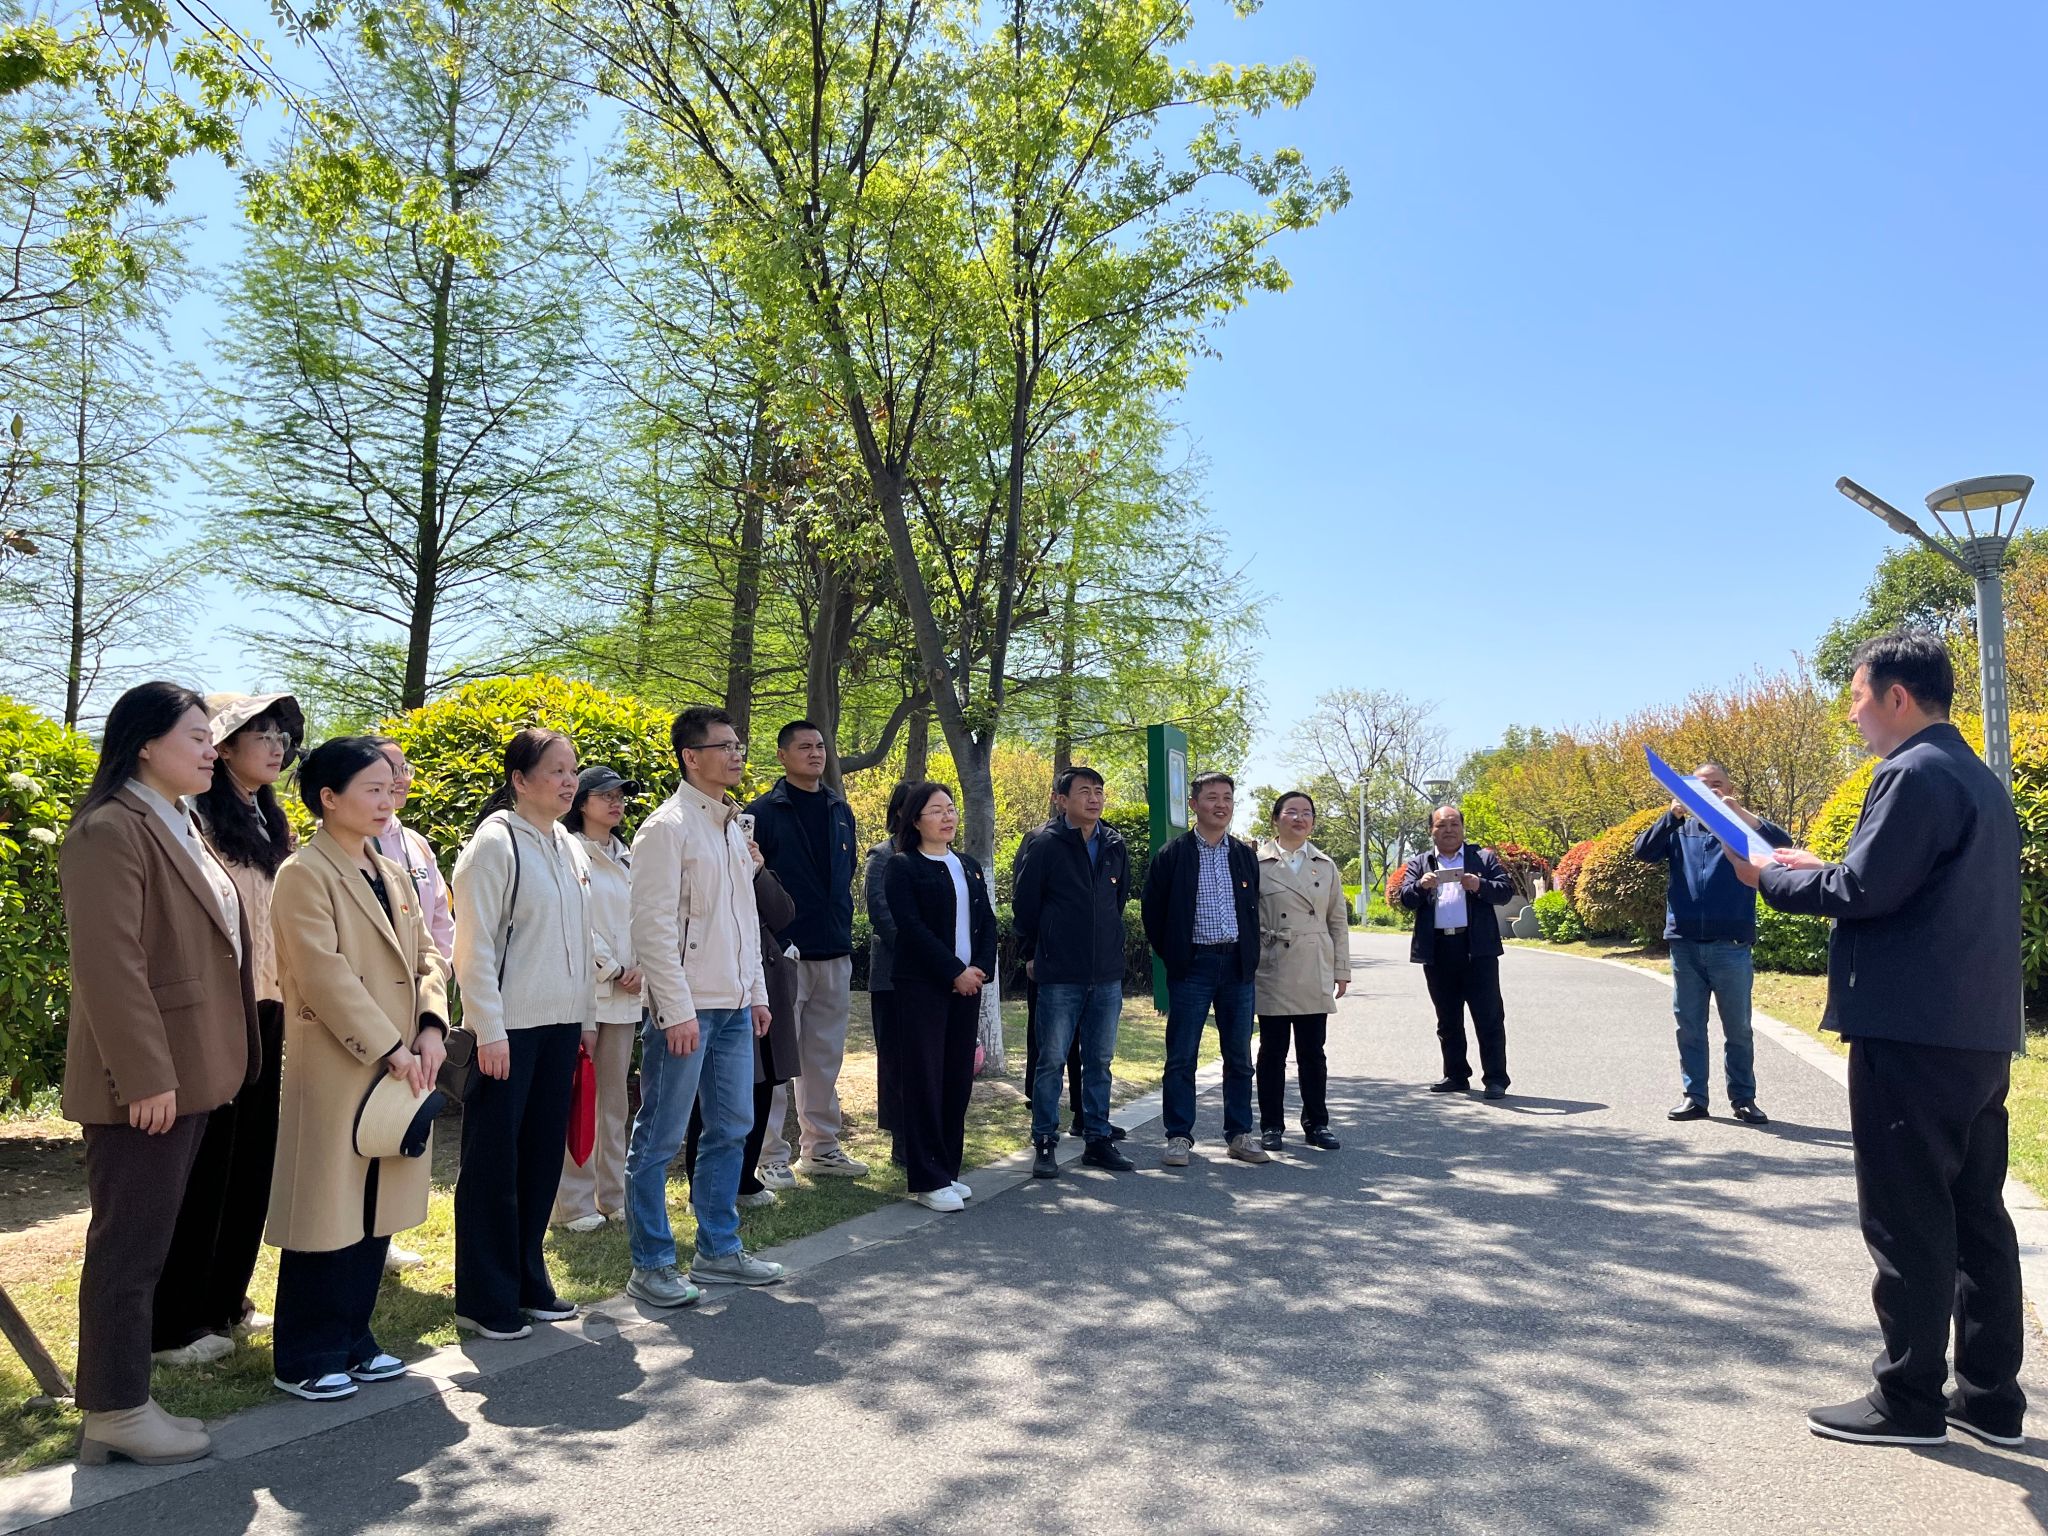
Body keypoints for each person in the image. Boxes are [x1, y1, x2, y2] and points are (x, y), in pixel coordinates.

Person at [1728, 631, 2026, 1448]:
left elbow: (1861, 891)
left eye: (1858, 697)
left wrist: (1768, 876)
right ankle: (1991, 1399)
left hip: (1909, 1031)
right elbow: (1896, 881)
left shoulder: (1911, 772)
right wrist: (1812, 863)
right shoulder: (1975, 776)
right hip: (1975, 1032)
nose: (1853, 714)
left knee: (1908, 1217)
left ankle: (1909, 1400)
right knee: (1976, 1215)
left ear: (1897, 696)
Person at [61, 682, 258, 1466]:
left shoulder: (181, 819)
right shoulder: (109, 827)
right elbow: (110, 965)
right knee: (130, 1249)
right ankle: (113, 1410)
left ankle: (124, 1402)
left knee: (151, 1241)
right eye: (196, 737)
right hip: (147, 1083)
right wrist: (144, 1076)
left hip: (195, 1069)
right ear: (145, 743)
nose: (212, 750)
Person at [266, 738, 450, 1401]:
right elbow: (323, 974)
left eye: (389, 785)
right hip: (341, 1064)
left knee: (376, 1205)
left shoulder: (391, 870)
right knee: (327, 1207)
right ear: (329, 798)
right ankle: (304, 1356)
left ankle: (354, 1338)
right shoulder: (303, 873)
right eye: (372, 788)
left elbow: (429, 954)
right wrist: (389, 1045)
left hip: (400, 1062)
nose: (386, 798)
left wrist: (431, 1026)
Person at [149, 693, 301, 1368]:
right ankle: (177, 1319)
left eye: (281, 736)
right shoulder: (197, 818)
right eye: (258, 733)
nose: (275, 745)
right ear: (225, 745)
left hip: (270, 1008)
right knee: (208, 1163)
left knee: (251, 1161)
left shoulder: (272, 818)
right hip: (218, 1010)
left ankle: (226, 1300)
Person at [623, 706, 784, 1308]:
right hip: (687, 1011)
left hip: (735, 1007)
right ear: (691, 757)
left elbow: (745, 921)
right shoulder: (666, 828)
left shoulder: (731, 826)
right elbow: (652, 929)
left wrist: (756, 994)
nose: (737, 754)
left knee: (731, 1129)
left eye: (739, 744)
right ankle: (651, 1264)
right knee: (659, 1138)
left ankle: (718, 1250)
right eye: (725, 746)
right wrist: (675, 1009)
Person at [449, 729, 597, 1341]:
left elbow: (581, 940)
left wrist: (586, 1018)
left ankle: (528, 1280)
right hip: (507, 1030)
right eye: (556, 770)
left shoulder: (568, 844)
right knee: (493, 1162)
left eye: (573, 770)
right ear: (520, 779)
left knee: (539, 1159)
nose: (569, 781)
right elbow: (473, 947)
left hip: (560, 1025)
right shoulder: (495, 843)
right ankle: (484, 1297)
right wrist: (488, 1027)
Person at [1631, 761, 1792, 1125]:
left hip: (1730, 945)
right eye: (1700, 785)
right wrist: (1672, 814)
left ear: (1729, 789)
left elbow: (1782, 845)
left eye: (1716, 785)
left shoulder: (1739, 829)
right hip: (1685, 944)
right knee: (1689, 1026)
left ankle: (1744, 1098)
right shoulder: (1679, 829)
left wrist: (1739, 813)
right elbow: (1642, 851)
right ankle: (1694, 1097)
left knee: (1738, 1029)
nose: (1708, 791)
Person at [747, 720, 866, 1184]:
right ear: (782, 755)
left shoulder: (840, 809)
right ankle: (769, 1155)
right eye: (804, 747)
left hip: (833, 949)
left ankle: (821, 1147)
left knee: (824, 1057)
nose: (815, 753)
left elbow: (845, 872)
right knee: (777, 1060)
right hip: (783, 955)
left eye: (820, 746)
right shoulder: (763, 812)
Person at [1013, 765, 1135, 1179]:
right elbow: (1025, 906)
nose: (1094, 798)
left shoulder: (1114, 843)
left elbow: (1116, 902)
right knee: (1051, 1060)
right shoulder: (1044, 843)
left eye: (1099, 791)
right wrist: (1034, 951)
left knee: (1099, 1060)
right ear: (1061, 799)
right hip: (1059, 972)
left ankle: (1097, 1138)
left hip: (1106, 974)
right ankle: (1045, 1141)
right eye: (1085, 791)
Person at [1141, 771, 1266, 1168]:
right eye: (1212, 797)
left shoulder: (1243, 855)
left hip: (1237, 966)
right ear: (1194, 804)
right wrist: (1176, 955)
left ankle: (1240, 1134)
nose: (1221, 805)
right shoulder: (1172, 854)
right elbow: (1152, 912)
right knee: (1182, 1056)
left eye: (1227, 797)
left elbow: (1252, 910)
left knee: (1239, 1056)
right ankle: (1178, 1136)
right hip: (1192, 966)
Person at [883, 782, 997, 1211]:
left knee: (956, 1079)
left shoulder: (967, 865)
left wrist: (979, 969)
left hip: (967, 986)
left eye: (951, 808)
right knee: (924, 1080)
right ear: (915, 820)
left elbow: (986, 921)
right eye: (936, 810)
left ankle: (948, 1169)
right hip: (923, 987)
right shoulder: (902, 867)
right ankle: (927, 1178)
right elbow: (911, 929)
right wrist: (953, 971)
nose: (948, 817)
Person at [364, 734, 453, 1272]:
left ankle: (387, 1232)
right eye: (386, 769)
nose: (399, 779)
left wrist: (436, 987)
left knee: (403, 1117)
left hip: (421, 1001)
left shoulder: (416, 844)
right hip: (372, 1005)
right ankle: (363, 1234)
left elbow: (439, 919)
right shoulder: (349, 844)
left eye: (403, 768)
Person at [552, 766, 644, 1233]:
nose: (615, 802)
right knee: (578, 1098)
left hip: (626, 998)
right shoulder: (568, 851)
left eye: (620, 795)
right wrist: (612, 968)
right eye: (605, 795)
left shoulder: (629, 857)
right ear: (582, 802)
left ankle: (612, 1195)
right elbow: (573, 920)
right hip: (585, 995)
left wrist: (641, 966)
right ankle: (573, 1203)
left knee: (614, 1103)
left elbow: (647, 916)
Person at [685, 857, 802, 1210]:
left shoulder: (754, 864)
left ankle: (745, 1179)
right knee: (714, 1088)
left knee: (764, 1078)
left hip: (764, 981)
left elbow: (783, 914)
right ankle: (699, 1186)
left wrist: (758, 870)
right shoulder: (697, 858)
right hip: (720, 983)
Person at [1253, 791, 1352, 1152]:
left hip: (1313, 964)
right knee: (1272, 1051)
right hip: (1273, 964)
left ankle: (1317, 1123)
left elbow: (1337, 920)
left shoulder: (1325, 865)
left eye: (1306, 813)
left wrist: (1341, 968)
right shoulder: (1256, 863)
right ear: (1275, 818)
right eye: (1291, 812)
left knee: (1313, 1051)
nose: (1299, 819)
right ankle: (1271, 1125)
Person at [1396, 806, 1517, 1099]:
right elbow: (1405, 898)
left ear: (1462, 828)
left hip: (1477, 949)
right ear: (1431, 831)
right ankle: (1455, 1074)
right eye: (1441, 825)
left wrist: (1479, 884)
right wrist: (1421, 886)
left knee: (1488, 1016)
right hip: (1438, 949)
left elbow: (1505, 891)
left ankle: (1496, 1079)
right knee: (1447, 1017)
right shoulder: (1420, 862)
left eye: (1454, 824)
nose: (1448, 830)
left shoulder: (1482, 859)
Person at [863, 782, 914, 1167]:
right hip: (893, 976)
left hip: (931, 978)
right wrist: (923, 953)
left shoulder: (940, 856)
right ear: (899, 812)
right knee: (897, 1060)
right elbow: (881, 914)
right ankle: (901, 1140)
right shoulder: (881, 856)